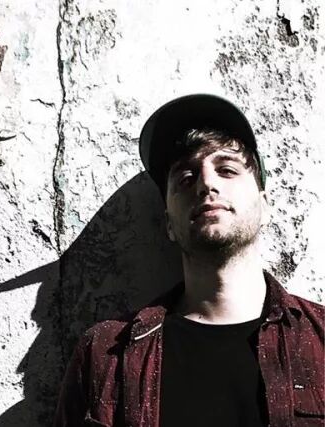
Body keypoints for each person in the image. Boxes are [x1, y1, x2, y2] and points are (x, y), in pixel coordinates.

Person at [53, 94, 324, 427]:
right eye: (185, 178)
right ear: (168, 223)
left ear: (265, 206)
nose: (207, 184)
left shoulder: (321, 340)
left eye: (227, 169)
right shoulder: (105, 355)